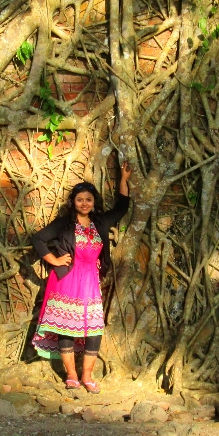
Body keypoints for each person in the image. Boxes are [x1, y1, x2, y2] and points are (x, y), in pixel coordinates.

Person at [30, 161, 132, 393]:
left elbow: (122, 208)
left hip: (90, 283)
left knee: (93, 329)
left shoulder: (101, 222)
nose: (84, 203)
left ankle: (87, 375)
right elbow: (37, 239)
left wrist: (124, 180)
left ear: (93, 202)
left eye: (88, 199)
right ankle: (72, 375)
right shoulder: (64, 224)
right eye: (79, 200)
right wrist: (53, 260)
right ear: (73, 203)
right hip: (66, 281)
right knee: (67, 328)